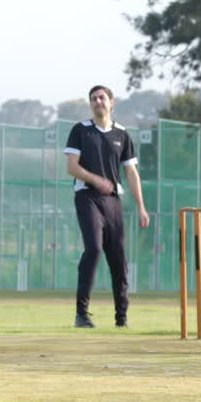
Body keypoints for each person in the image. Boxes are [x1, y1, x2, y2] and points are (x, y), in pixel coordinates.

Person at [64, 85, 150, 328]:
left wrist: (141, 207)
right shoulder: (81, 130)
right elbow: (71, 167)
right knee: (93, 249)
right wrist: (95, 180)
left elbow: (131, 173)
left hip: (113, 201)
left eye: (102, 98)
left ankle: (121, 319)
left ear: (112, 102)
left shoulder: (122, 135)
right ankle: (81, 314)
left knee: (118, 258)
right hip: (87, 197)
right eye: (93, 99)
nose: (97, 102)